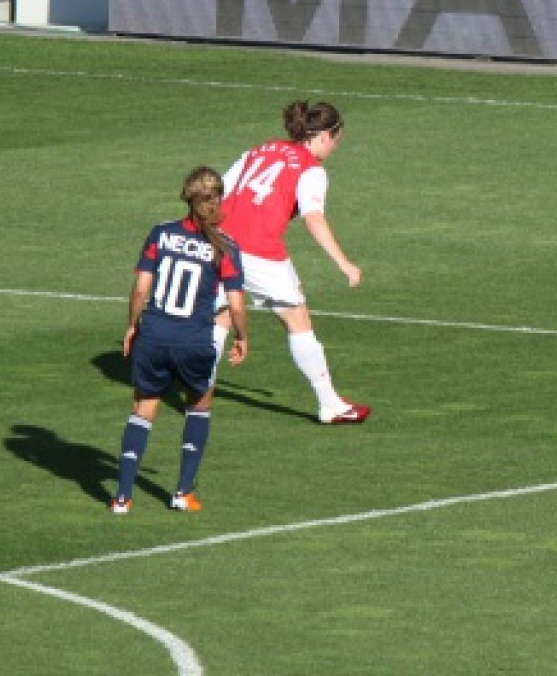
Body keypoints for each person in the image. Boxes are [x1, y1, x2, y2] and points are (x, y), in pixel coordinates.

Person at [213, 101, 371, 426]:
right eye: (336, 140)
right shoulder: (311, 169)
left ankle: (198, 390)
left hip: (220, 240)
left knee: (223, 314)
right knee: (298, 320)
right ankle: (330, 404)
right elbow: (313, 219)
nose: (335, 148)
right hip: (259, 251)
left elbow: (219, 191)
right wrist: (344, 263)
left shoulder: (261, 149)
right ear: (325, 135)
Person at [112, 167, 249, 514]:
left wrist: (131, 326)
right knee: (199, 406)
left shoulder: (160, 233)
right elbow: (235, 304)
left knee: (143, 409)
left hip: (154, 336)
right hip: (194, 341)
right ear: (217, 200)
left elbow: (140, 289)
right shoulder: (226, 247)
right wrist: (242, 337)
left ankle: (122, 497)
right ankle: (182, 492)